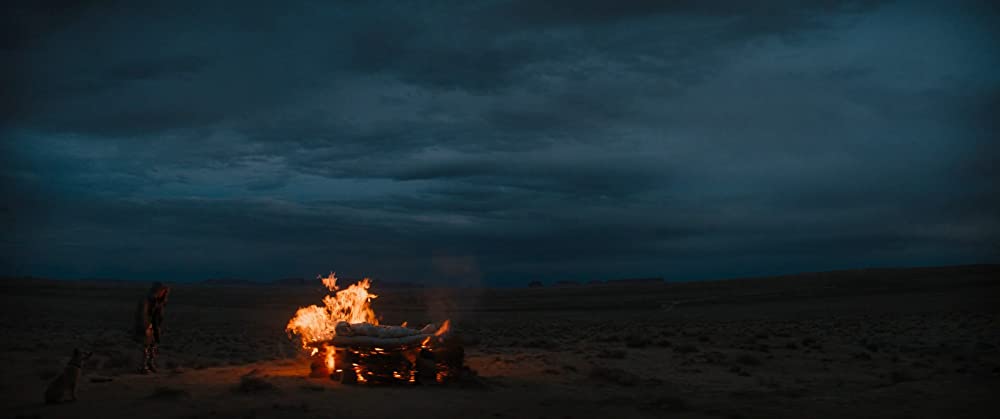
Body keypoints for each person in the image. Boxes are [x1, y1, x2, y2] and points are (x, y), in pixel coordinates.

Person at [135, 282, 170, 374]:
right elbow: (142, 314)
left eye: (164, 291)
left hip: (154, 327)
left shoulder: (158, 301)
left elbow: (158, 315)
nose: (162, 293)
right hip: (147, 327)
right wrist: (146, 326)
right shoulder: (146, 300)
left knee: (152, 347)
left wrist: (157, 327)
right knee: (145, 347)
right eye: (162, 291)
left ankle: (150, 364)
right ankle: (144, 367)